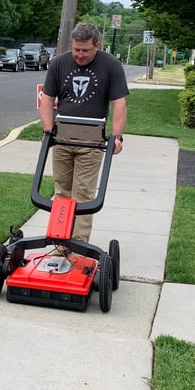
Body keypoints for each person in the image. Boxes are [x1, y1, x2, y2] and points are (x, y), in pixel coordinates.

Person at [38, 22, 128, 250]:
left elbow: (119, 103)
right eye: (76, 49)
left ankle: (77, 246)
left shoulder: (111, 65)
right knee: (61, 191)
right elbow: (47, 98)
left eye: (85, 50)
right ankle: (61, 244)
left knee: (84, 194)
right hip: (62, 137)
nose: (79, 55)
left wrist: (117, 136)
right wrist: (48, 130)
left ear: (97, 45)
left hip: (93, 142)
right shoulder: (59, 63)